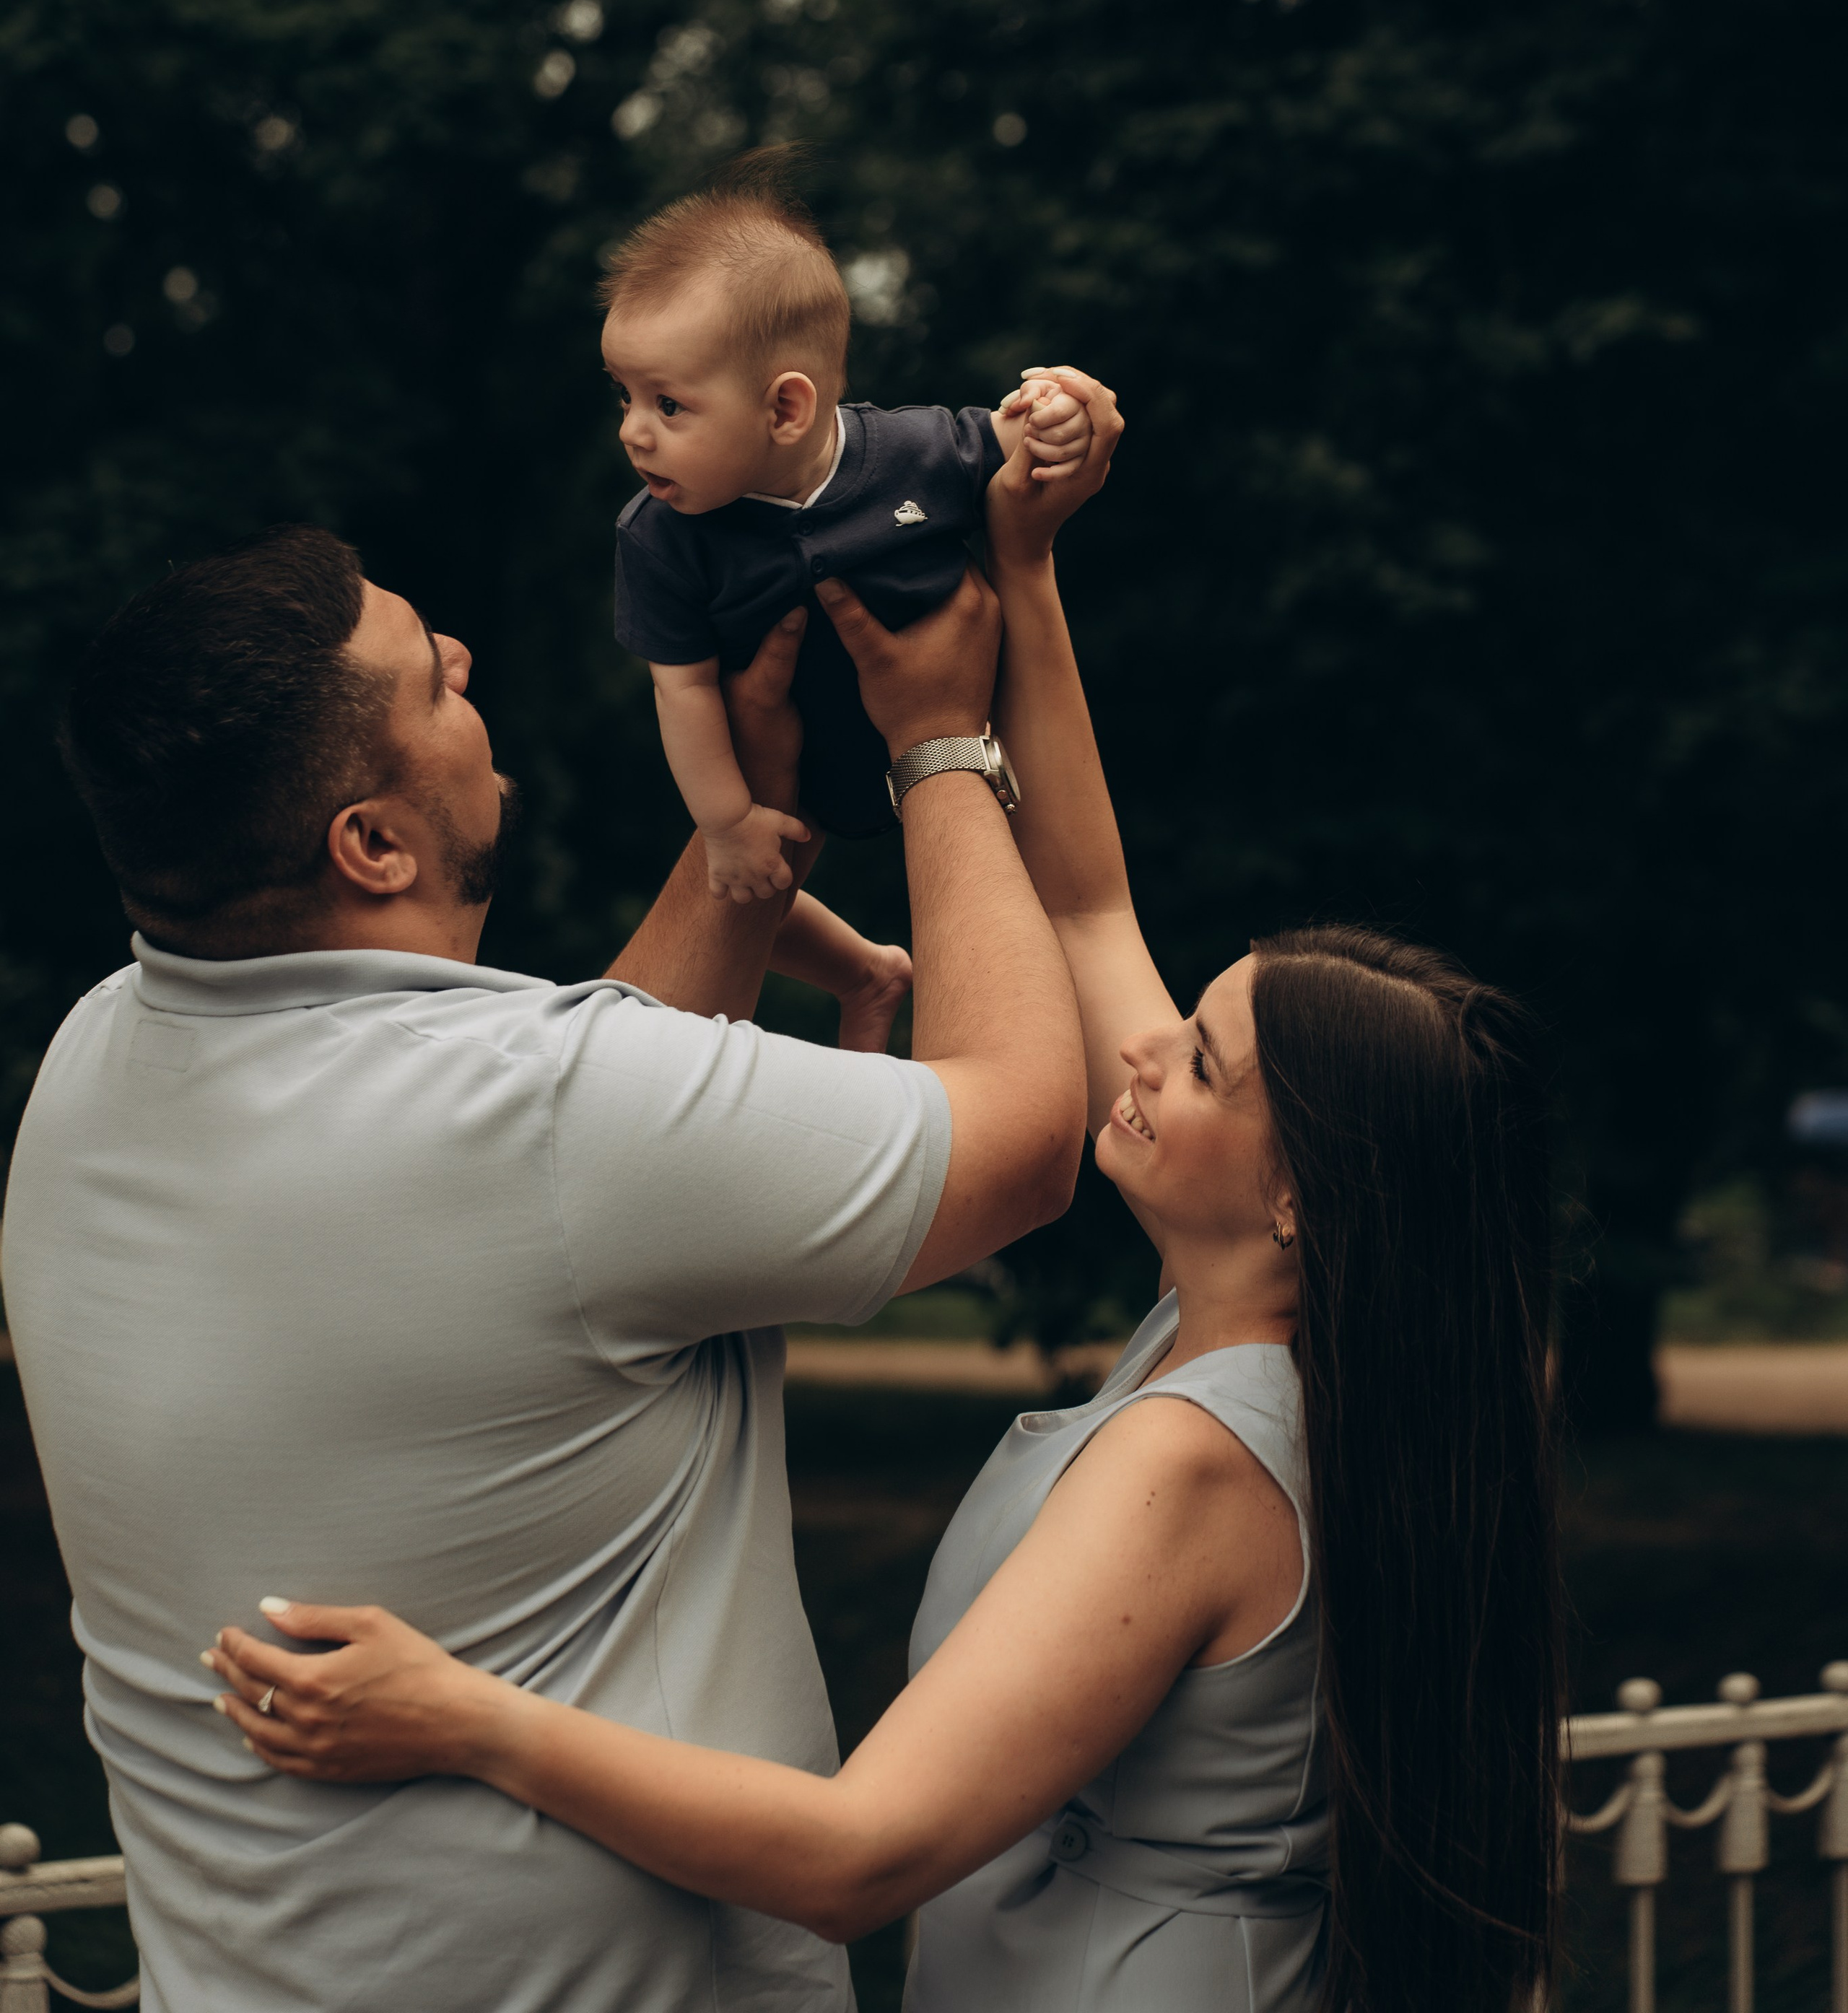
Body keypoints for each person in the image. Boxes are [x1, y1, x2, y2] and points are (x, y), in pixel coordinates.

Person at [205, 371, 1564, 2013]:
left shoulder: (1195, 1458)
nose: (1133, 1057)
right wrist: (1025, 576)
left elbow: (858, 1849)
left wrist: (461, 1712)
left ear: (1298, 1198)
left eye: (1194, 1062)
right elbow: (1081, 890)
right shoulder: (1280, 1337)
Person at [0, 499, 1091, 2013]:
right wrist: (937, 745)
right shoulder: (548, 1119)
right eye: (428, 679)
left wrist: (749, 820)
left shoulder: (96, 1062)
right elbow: (1028, 1143)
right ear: (371, 842)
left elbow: (556, 1198)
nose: (460, 653)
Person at [604, 157, 1091, 1052]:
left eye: (669, 405)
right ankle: (866, 969)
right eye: (626, 396)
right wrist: (728, 824)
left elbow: (1003, 433)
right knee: (754, 876)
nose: (634, 431)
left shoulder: (908, 451)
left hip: (972, 759)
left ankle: (922, 998)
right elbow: (683, 690)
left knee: (1028, 913)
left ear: (785, 409)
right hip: (803, 777)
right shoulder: (661, 538)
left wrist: (1053, 414)